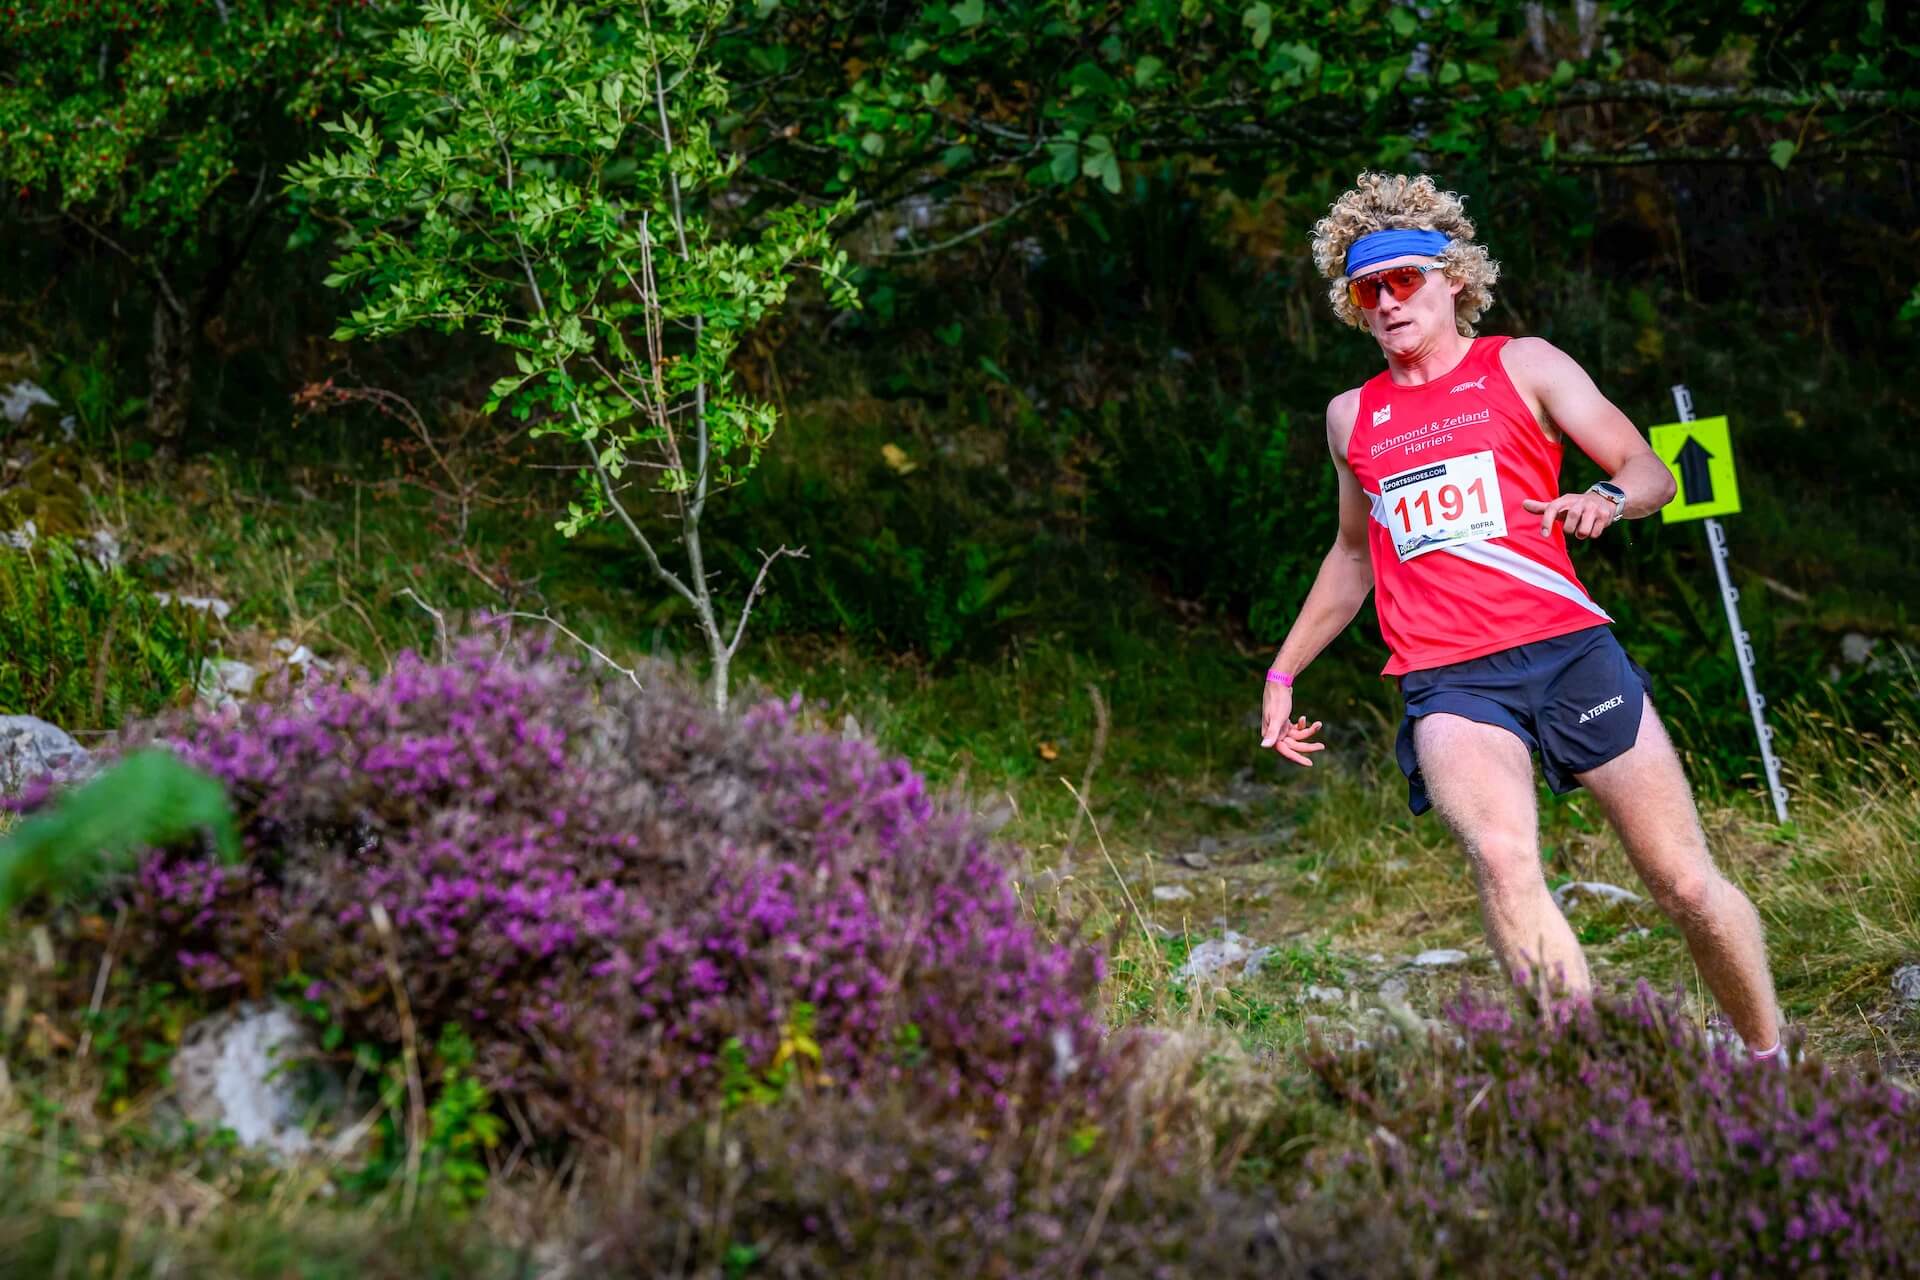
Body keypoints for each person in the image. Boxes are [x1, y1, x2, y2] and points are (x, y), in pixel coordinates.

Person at [1259, 172, 1782, 1060]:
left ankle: (1770, 1060)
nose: (1387, 303)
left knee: (1684, 884)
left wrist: (1606, 500)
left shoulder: (1524, 364)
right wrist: (1282, 671)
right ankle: (1587, 1090)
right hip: (1450, 679)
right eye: (1366, 290)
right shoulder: (1352, 417)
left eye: (1404, 280)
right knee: (1504, 861)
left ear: (1453, 278)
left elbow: (1649, 470)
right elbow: (1353, 557)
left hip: (1568, 653)